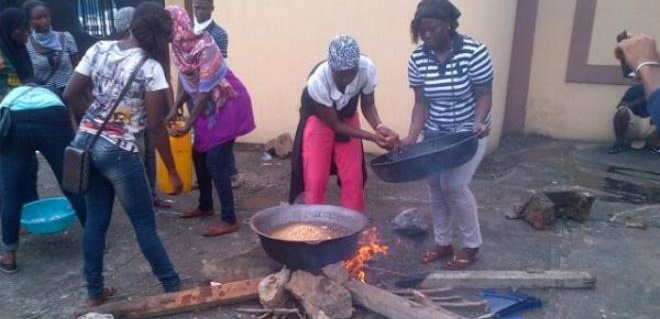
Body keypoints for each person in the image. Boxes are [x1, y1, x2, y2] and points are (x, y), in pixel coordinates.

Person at [63, 2, 183, 308]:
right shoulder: (151, 67)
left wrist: (92, 116)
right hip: (118, 152)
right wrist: (171, 170)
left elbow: (70, 93)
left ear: (133, 24)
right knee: (144, 222)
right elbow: (156, 125)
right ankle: (172, 286)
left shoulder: (99, 49)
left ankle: (94, 292)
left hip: (87, 143)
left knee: (95, 221)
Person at [403, 0, 493, 270]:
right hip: (435, 135)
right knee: (434, 185)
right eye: (422, 31)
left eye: (432, 29)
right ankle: (443, 243)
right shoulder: (418, 59)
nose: (427, 35)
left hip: (468, 134)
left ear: (449, 24)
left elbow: (484, 94)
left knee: (453, 186)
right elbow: (421, 104)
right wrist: (411, 137)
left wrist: (477, 122)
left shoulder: (474, 52)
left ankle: (472, 245)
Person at [166, 6, 255, 237]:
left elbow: (204, 89)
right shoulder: (178, 47)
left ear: (176, 24)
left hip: (228, 102)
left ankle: (230, 218)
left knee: (215, 160)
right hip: (208, 109)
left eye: (164, 25)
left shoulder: (204, 44)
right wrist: (175, 108)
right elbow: (188, 83)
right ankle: (205, 205)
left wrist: (187, 124)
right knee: (199, 154)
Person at [288, 34, 398, 213]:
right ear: (331, 66)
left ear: (357, 65)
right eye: (340, 73)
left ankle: (353, 226)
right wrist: (373, 137)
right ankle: (314, 225)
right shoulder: (317, 81)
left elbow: (368, 104)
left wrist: (379, 127)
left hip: (348, 116)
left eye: (350, 71)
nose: (346, 77)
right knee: (315, 177)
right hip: (320, 120)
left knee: (353, 176)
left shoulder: (366, 68)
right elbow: (335, 125)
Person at [0, 84, 87, 274]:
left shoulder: (10, 96)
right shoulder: (54, 94)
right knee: (70, 180)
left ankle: (9, 254)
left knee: (10, 190)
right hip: (52, 117)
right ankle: (94, 239)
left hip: (15, 120)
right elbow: (72, 129)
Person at [115, 6, 172, 208]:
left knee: (148, 153)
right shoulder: (115, 53)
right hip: (126, 117)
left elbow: (163, 78)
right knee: (135, 154)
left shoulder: (151, 53)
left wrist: (170, 106)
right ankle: (141, 199)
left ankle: (151, 195)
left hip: (146, 112)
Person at [191, 0, 241, 188]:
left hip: (214, 91)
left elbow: (218, 67)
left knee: (221, 134)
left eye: (204, 8)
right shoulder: (188, 32)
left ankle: (230, 173)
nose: (200, 11)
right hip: (192, 91)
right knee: (199, 133)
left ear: (212, 9)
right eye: (197, 8)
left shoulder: (219, 34)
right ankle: (202, 176)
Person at [0, 7, 39, 214]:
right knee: (10, 169)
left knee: (30, 165)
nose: (26, 34)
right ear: (8, 29)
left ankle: (32, 206)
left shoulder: (19, 50)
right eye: (21, 30)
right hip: (5, 119)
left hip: (24, 115)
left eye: (27, 29)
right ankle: (13, 213)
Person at [23, 0, 79, 95]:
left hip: (69, 95)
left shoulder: (66, 38)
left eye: (46, 16)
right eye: (38, 18)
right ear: (29, 21)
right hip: (44, 97)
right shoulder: (26, 44)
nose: (44, 21)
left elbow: (78, 67)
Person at [615, 34, 660, 137]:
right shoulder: (634, 90)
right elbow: (621, 107)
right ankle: (619, 144)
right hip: (637, 122)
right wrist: (642, 99)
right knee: (622, 113)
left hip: (651, 124)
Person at [608, 84, 660, 154]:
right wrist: (641, 100)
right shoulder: (636, 89)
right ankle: (619, 144)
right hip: (635, 122)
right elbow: (621, 106)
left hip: (650, 125)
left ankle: (656, 146)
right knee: (622, 111)